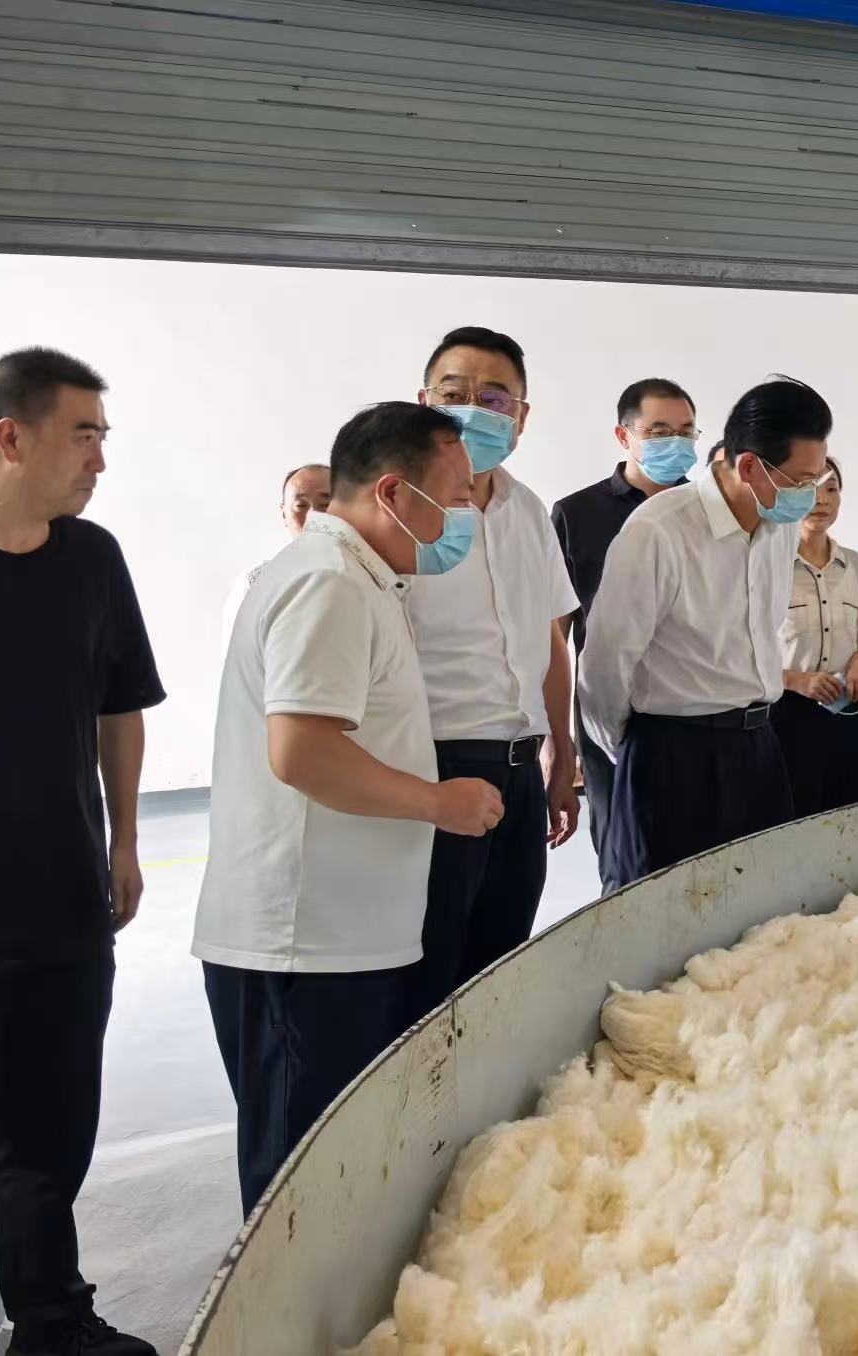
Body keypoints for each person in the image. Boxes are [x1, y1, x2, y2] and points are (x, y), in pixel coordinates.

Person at [193, 402, 504, 1215]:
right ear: (395, 493)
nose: (466, 517)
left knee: (332, 1169)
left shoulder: (361, 578)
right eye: (457, 498)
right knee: (297, 1187)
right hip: (302, 948)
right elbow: (302, 751)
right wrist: (438, 802)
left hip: (338, 938)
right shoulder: (327, 582)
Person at [0, 349, 164, 1356]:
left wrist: (126, 839)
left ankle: (53, 1322)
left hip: (64, 911)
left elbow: (120, 705)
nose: (100, 458)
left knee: (52, 1142)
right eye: (84, 434)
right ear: (11, 438)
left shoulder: (92, 560)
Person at [579, 378, 833, 888]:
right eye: (802, 481)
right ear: (749, 467)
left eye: (818, 478)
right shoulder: (660, 530)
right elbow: (605, 666)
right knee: (662, 908)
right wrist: (640, 752)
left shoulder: (779, 526)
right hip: (672, 759)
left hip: (758, 747)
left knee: (762, 903)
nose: (809, 496)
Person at [404, 326, 580, 1020]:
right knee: (425, 975)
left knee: (501, 962)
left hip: (519, 771)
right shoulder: (399, 512)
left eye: (495, 398)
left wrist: (562, 748)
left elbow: (549, 638)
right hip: (434, 769)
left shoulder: (527, 509)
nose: (474, 410)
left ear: (521, 417)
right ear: (423, 402)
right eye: (456, 393)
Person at [550, 378, 697, 892]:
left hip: (693, 718)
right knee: (624, 864)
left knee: (702, 863)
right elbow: (556, 637)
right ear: (623, 435)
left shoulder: (706, 510)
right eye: (658, 431)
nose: (675, 443)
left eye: (686, 432)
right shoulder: (577, 514)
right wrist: (558, 741)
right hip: (611, 722)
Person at [773, 455, 858, 817]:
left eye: (831, 489)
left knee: (851, 818)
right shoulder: (768, 566)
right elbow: (745, 654)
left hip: (847, 711)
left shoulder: (855, 565)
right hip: (787, 715)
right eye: (809, 489)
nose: (821, 500)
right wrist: (798, 680)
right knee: (793, 819)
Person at [221, 463, 332, 644]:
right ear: (283, 514)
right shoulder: (255, 584)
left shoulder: (374, 580)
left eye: (325, 505)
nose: (314, 516)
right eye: (300, 505)